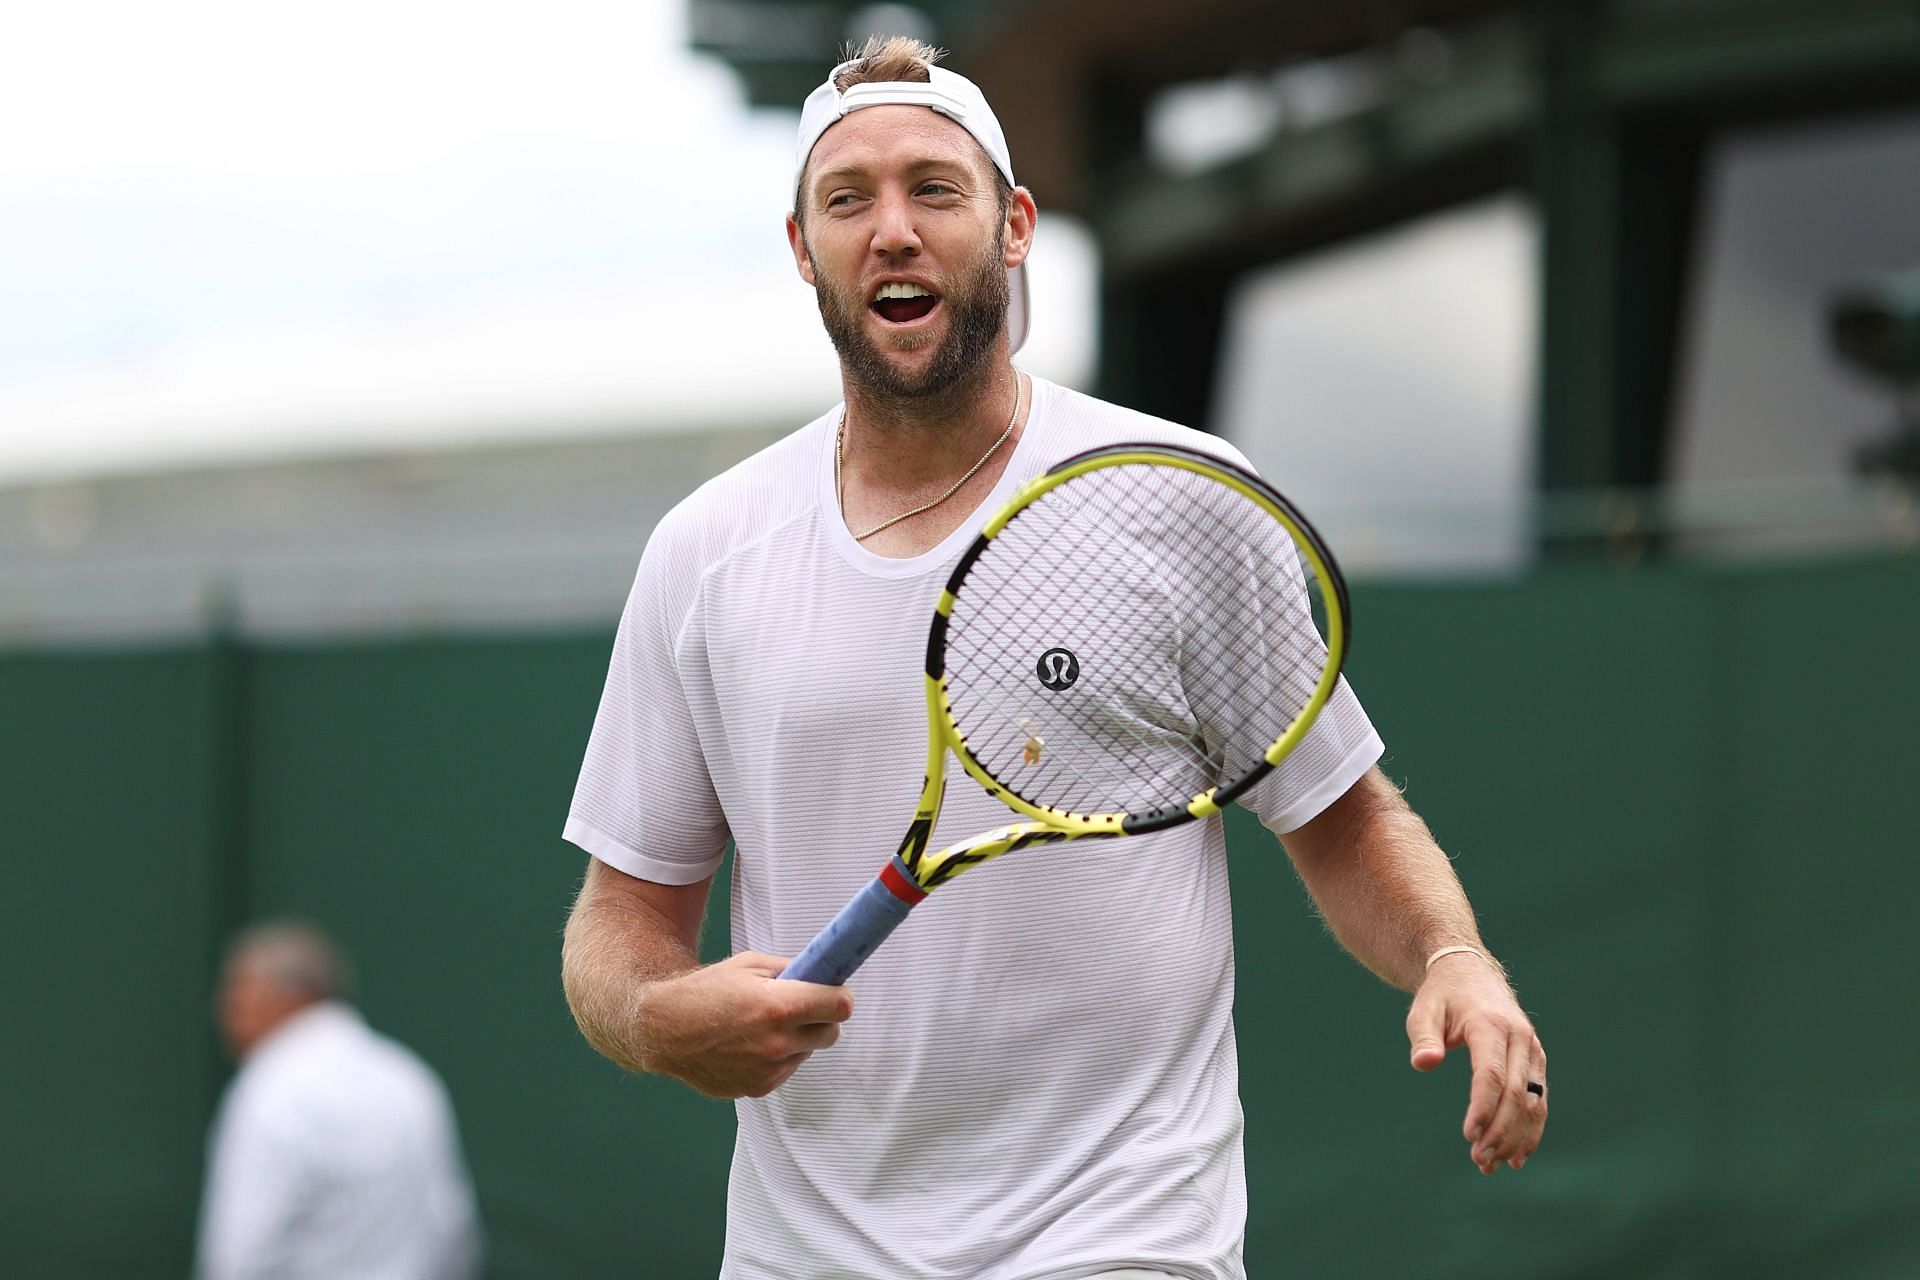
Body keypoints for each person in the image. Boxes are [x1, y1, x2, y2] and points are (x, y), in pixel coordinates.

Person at [560, 36, 1547, 1280]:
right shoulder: (704, 552)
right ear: (804, 249)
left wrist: (1456, 958)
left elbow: (1343, 816)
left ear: (1015, 225)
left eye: (935, 188)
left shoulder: (1181, 498)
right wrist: (659, 1018)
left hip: (1120, 1236)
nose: (894, 230)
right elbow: (621, 919)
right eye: (848, 199)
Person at [196, 920, 482, 1280]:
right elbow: (453, 1228)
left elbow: (241, 1256)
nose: (226, 1012)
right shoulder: (405, 1076)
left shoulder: (271, 1087)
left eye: (239, 992)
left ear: (283, 994)